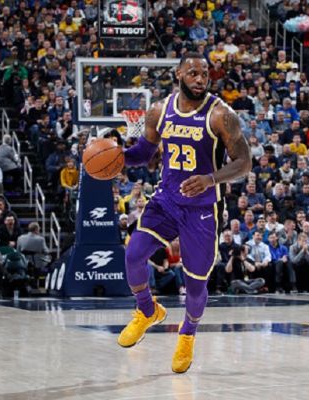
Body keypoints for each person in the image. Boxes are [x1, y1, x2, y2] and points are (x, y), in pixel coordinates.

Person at [116, 52, 252, 374]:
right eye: (192, 73)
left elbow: (244, 162)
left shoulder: (221, 114)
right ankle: (147, 311)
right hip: (166, 200)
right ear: (178, 73)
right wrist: (117, 158)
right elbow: (143, 153)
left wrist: (211, 178)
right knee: (134, 254)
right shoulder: (159, 111)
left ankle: (188, 333)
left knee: (194, 285)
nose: (199, 79)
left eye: (204, 74)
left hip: (203, 207)